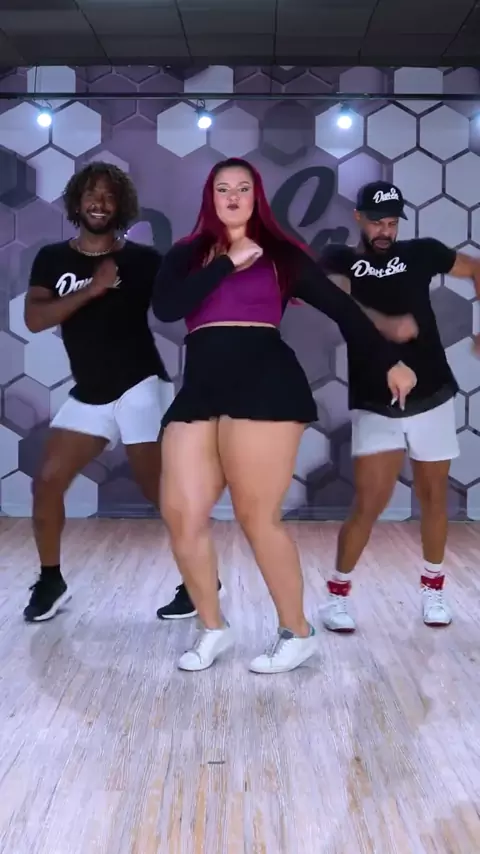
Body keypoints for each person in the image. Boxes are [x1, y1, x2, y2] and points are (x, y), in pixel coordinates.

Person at [151, 158, 417, 674]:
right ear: (210, 196)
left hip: (265, 381)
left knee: (256, 515)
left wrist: (390, 361)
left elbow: (344, 311)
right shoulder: (187, 253)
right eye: (223, 188)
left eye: (242, 188)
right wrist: (226, 262)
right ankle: (213, 627)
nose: (233, 197)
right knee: (181, 513)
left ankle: (297, 633)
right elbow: (167, 307)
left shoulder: (281, 254)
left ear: (256, 196)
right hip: (202, 385)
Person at [320, 180, 480, 634]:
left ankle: (433, 590)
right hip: (375, 399)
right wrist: (387, 328)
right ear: (358, 217)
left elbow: (475, 268)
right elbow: (335, 301)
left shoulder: (421, 251)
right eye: (377, 222)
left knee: (433, 496)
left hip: (431, 392)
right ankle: (337, 596)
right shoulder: (338, 258)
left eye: (392, 223)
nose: (385, 231)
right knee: (370, 502)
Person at [23, 162, 173, 623]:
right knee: (47, 481)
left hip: (140, 385)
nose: (99, 203)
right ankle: (51, 581)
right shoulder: (52, 258)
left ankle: (200, 580)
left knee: (159, 491)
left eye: (109, 196)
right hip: (90, 392)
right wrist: (93, 289)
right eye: (91, 194)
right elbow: (35, 318)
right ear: (77, 201)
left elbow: (177, 305)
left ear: (120, 205)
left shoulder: (144, 261)